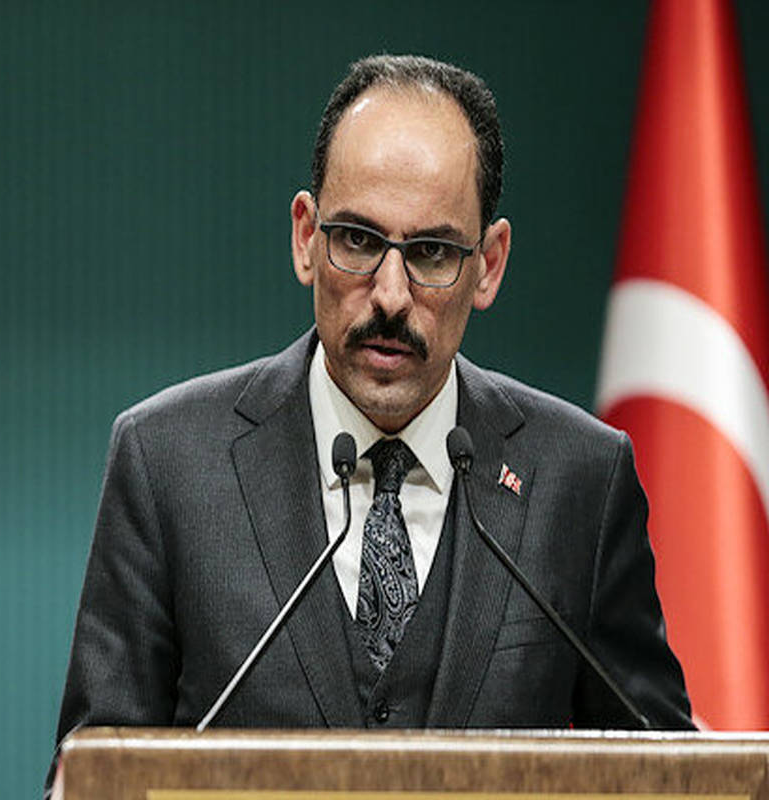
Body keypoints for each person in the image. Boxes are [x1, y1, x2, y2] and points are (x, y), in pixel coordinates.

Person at [52, 53, 692, 770]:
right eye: (358, 240)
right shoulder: (166, 462)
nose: (390, 295)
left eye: (431, 252)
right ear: (306, 237)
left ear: (489, 264)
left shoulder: (580, 479)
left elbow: (669, 775)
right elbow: (93, 775)